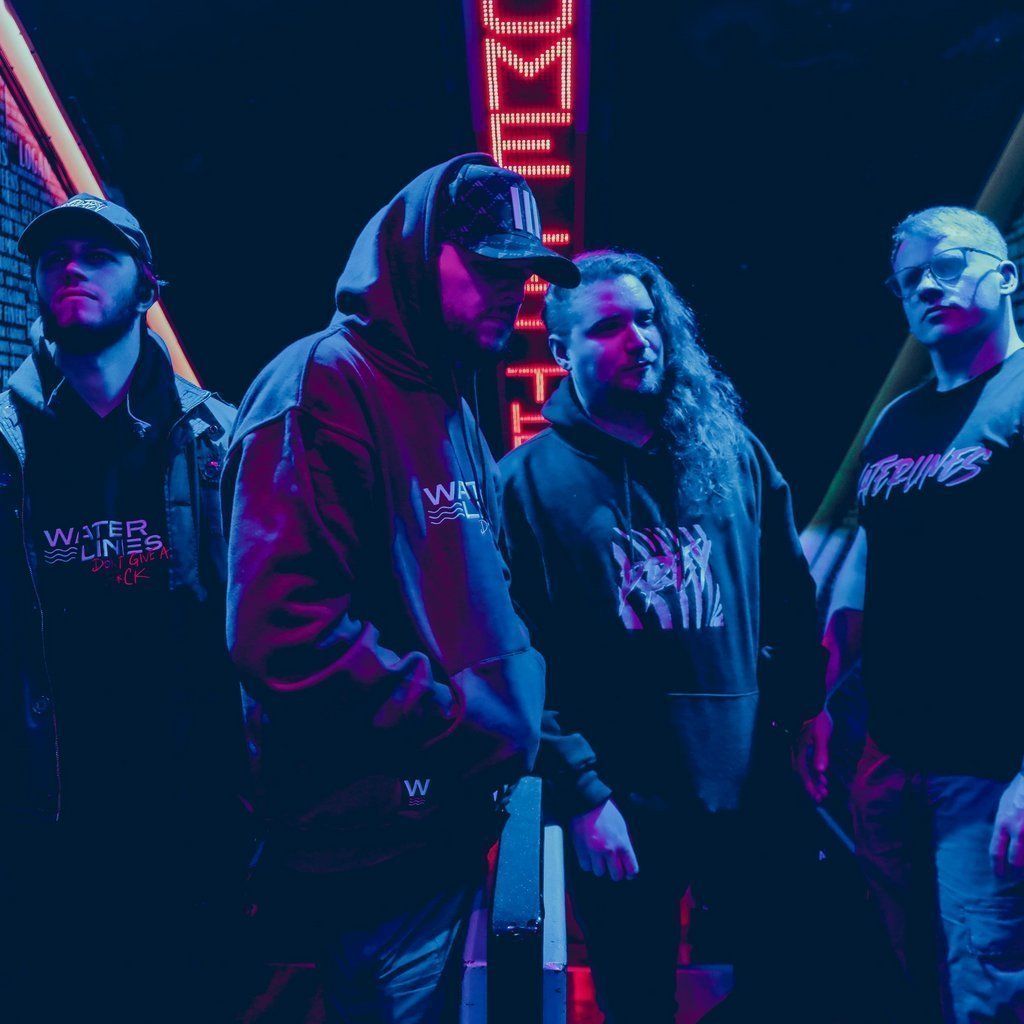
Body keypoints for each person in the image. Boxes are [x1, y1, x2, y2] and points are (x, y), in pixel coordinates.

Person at [222, 155, 578, 1023]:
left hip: (437, 829)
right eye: (489, 266)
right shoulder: (324, 385)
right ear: (420, 251)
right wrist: (463, 719)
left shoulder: (449, 396)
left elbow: (480, 592)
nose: (514, 291)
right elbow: (284, 634)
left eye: (524, 273)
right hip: (365, 853)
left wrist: (511, 703)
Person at [499, 249, 830, 1023]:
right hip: (621, 801)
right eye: (608, 327)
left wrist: (803, 711)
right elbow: (518, 653)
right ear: (561, 350)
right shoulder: (525, 484)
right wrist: (583, 795)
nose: (638, 339)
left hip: (748, 783)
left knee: (785, 984)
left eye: (647, 320)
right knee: (637, 997)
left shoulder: (730, 453)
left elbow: (789, 594)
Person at [0, 193, 248, 1022]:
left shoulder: (217, 440)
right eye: (54, 257)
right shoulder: (6, 444)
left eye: (97, 255)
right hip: (44, 824)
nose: (70, 268)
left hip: (194, 819)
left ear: (146, 287)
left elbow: (257, 623)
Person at [826, 206, 1024, 1023]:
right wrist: (827, 708)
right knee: (910, 984)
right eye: (911, 279)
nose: (927, 287)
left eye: (947, 266)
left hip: (989, 764)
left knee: (987, 989)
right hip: (891, 757)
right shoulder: (897, 419)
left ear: (1006, 275)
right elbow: (869, 572)